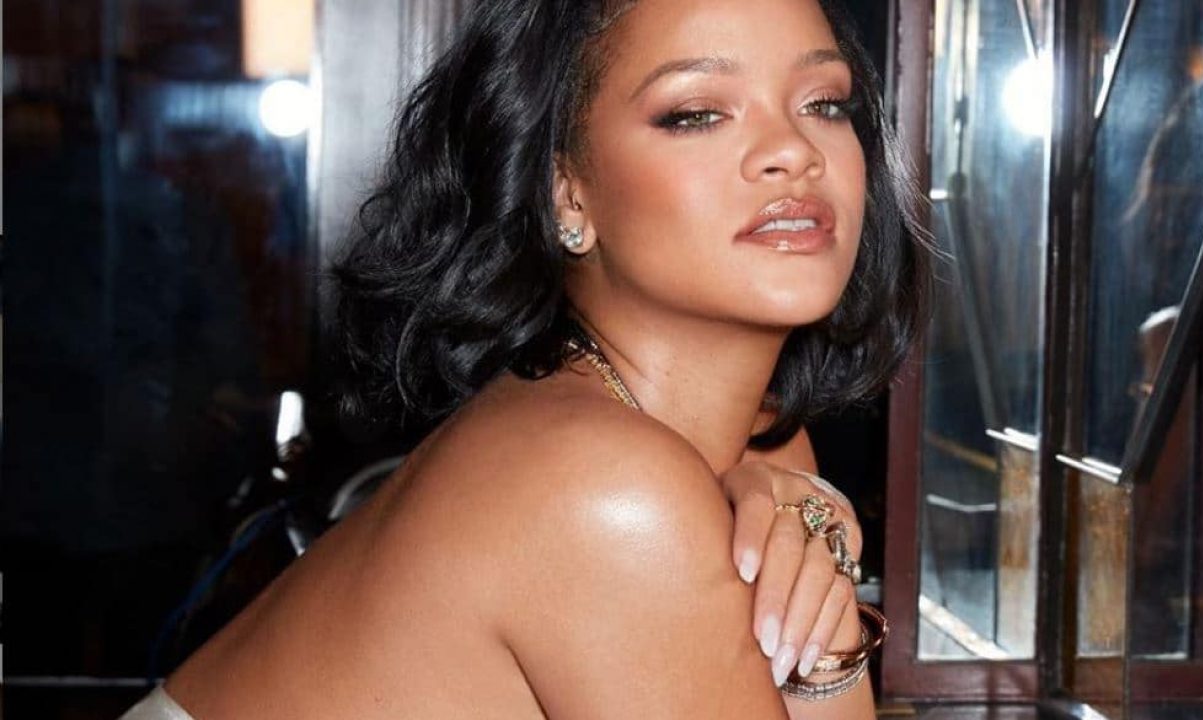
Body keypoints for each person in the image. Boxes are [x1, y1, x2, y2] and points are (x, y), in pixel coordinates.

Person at [122, 0, 930, 716]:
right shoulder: (602, 490)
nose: (793, 150)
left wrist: (822, 618)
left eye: (824, 103)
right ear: (563, 191)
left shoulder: (756, 451)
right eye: (696, 113)